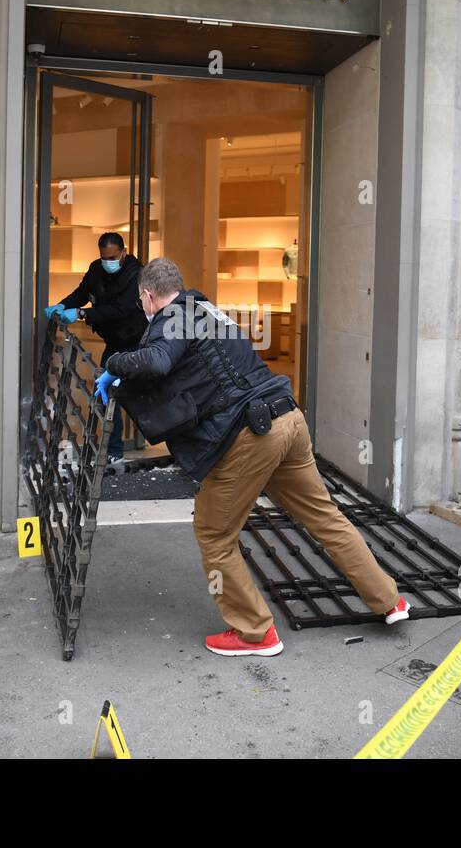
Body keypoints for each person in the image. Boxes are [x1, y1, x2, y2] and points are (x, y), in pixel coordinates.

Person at [96, 257, 408, 658]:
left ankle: (254, 632)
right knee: (326, 517)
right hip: (288, 420)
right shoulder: (205, 309)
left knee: (214, 534)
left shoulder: (172, 317)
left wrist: (113, 364)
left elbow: (157, 361)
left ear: (147, 296)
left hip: (251, 436)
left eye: (143, 302)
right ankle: (390, 601)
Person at [44, 232, 146, 466]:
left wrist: (81, 314)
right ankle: (114, 449)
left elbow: (120, 311)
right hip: (115, 342)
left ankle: (124, 445)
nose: (108, 262)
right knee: (106, 391)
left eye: (112, 257)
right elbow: (83, 293)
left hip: (136, 342)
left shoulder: (137, 276)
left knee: (135, 394)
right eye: (104, 257)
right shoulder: (96, 270)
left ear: (124, 252)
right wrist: (64, 304)